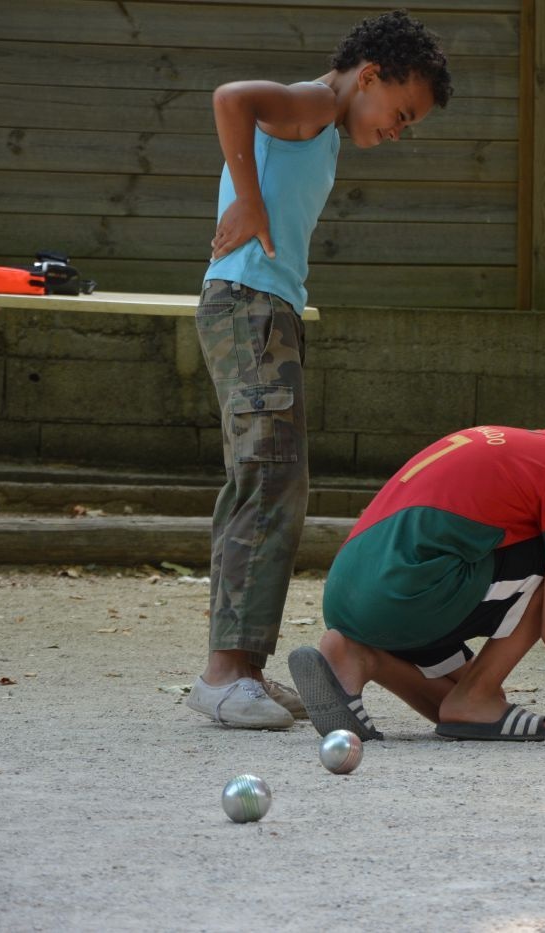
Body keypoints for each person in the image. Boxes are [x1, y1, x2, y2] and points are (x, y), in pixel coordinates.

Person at [187, 11, 453, 730]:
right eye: (400, 112)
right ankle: (223, 673)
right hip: (248, 307)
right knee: (267, 479)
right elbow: (231, 97)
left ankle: (241, 667)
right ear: (368, 75)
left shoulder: (322, 127)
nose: (399, 130)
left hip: (266, 310)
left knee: (273, 481)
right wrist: (246, 198)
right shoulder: (312, 105)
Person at [286, 379, 545, 743]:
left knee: (464, 698)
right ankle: (474, 698)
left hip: (352, 594)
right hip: (407, 593)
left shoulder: (512, 442)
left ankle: (361, 656)